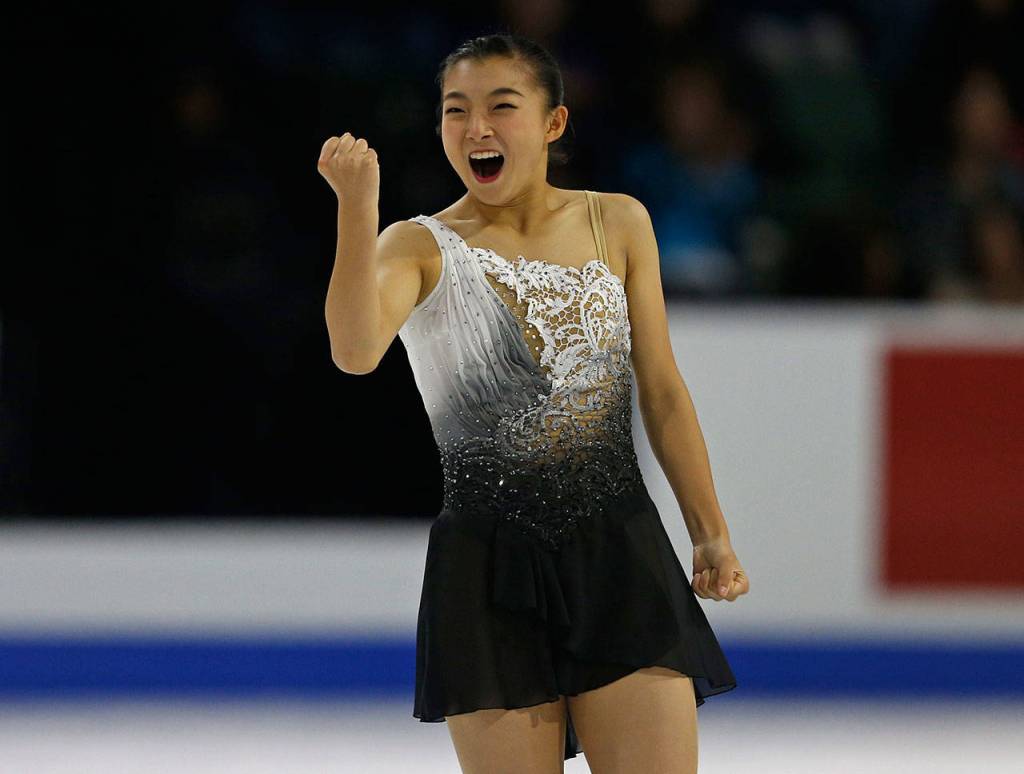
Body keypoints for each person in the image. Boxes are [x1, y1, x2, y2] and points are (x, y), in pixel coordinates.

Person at [320, 32, 748, 774]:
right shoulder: (418, 246)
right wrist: (358, 208)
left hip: (621, 552)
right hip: (487, 571)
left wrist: (708, 532)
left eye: (501, 106)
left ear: (553, 123)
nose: (476, 128)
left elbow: (664, 392)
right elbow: (355, 352)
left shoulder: (616, 222)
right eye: (456, 111)